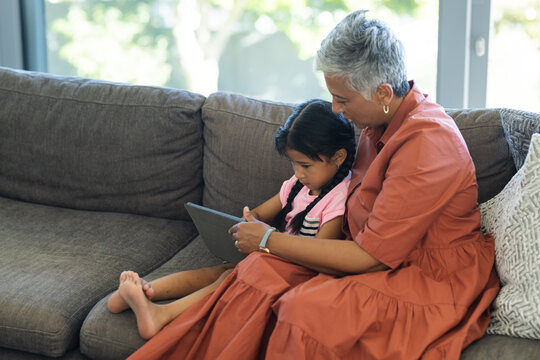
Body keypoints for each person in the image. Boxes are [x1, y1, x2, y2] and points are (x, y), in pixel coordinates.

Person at [126, 10, 499, 360]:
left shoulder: (428, 145)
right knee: (258, 271)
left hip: (426, 277)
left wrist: (269, 240)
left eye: (342, 98)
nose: (336, 109)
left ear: (383, 93)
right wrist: (267, 247)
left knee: (302, 312)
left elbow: (373, 257)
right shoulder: (377, 125)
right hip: (370, 255)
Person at [108, 98, 357, 340]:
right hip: (273, 258)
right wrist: (251, 220)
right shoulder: (296, 185)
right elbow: (259, 213)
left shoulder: (338, 197)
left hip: (300, 274)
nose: (298, 173)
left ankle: (161, 315)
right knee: (219, 270)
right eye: (293, 164)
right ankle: (144, 290)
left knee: (228, 278)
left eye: (305, 165)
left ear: (338, 157)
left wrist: (269, 240)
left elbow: (321, 256)